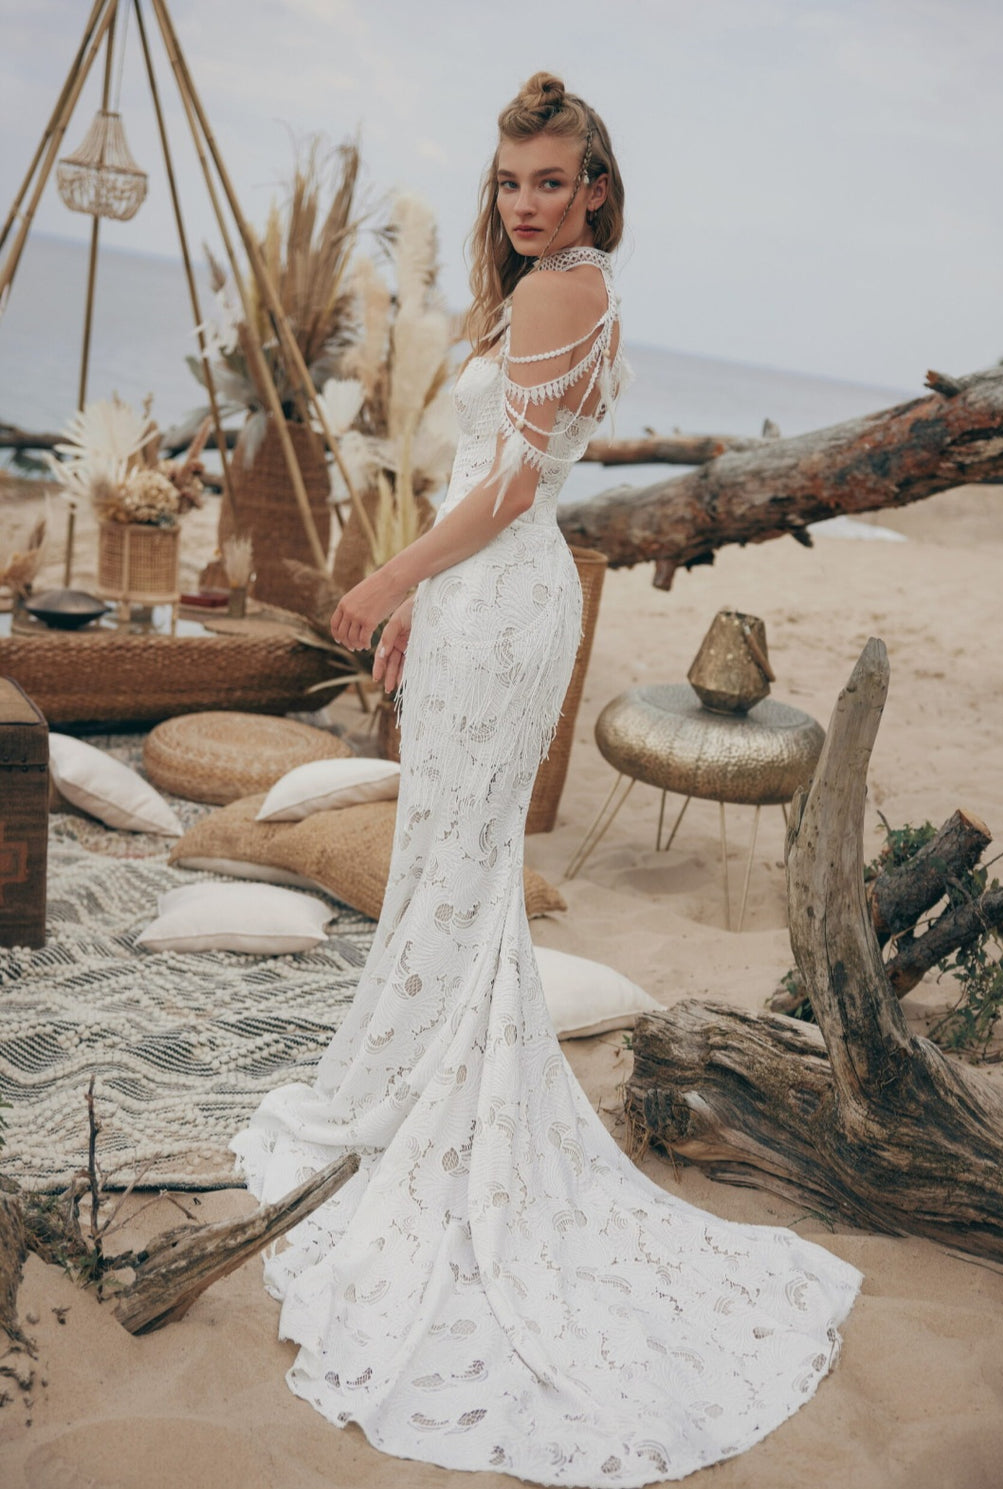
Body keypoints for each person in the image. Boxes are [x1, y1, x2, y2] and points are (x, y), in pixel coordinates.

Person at [231, 72, 861, 1487]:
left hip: (501, 595)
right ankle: (409, 1100)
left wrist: (389, 576)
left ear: (591, 188)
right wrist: (414, 607)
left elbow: (511, 491)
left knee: (453, 862)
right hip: (482, 602)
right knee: (448, 864)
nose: (526, 203)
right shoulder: (555, 287)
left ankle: (429, 1126)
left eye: (549, 181)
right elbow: (497, 472)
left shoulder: (564, 291)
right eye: (509, 182)